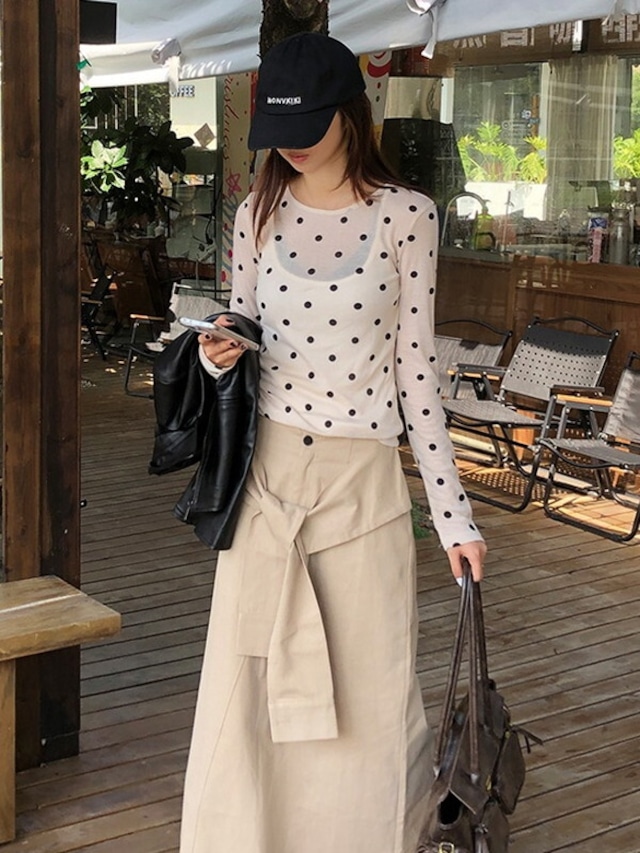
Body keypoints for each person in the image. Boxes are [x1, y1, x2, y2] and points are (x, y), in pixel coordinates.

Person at [179, 31, 487, 853]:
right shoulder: (256, 213)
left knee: (370, 700)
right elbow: (242, 336)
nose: (291, 144)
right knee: (246, 699)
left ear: (351, 113)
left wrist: (454, 518)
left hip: (362, 492)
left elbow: (416, 377)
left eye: (307, 123)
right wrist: (218, 355)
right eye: (278, 129)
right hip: (269, 485)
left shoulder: (408, 216)